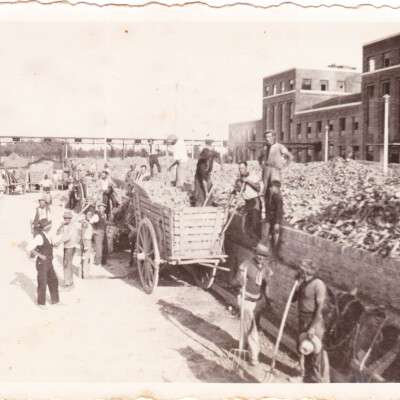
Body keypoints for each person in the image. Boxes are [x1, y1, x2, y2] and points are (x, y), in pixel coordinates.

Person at [231, 242, 272, 366]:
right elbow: (234, 282)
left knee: (249, 324)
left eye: (263, 255)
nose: (260, 257)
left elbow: (267, 287)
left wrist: (268, 300)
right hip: (246, 299)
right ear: (255, 253)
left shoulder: (266, 269)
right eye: (259, 254)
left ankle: (242, 345)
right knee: (252, 327)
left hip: (257, 302)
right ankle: (254, 356)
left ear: (266, 257)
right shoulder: (246, 265)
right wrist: (240, 280)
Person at [292, 259, 330, 383]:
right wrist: (296, 286)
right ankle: (305, 376)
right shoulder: (303, 283)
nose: (298, 271)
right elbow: (292, 299)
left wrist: (312, 327)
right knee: (303, 347)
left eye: (300, 269)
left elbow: (320, 307)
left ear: (306, 270)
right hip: (302, 318)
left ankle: (317, 380)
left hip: (314, 320)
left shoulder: (318, 284)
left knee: (314, 351)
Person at [258, 130, 293, 221]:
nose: (267, 139)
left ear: (273, 137)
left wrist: (284, 166)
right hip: (266, 170)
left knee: (275, 191)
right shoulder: (264, 148)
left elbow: (290, 157)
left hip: (275, 170)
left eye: (269, 137)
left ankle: (277, 217)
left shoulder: (279, 146)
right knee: (266, 192)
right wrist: (262, 165)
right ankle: (267, 216)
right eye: (266, 137)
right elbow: (259, 158)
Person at [26, 218, 60, 309]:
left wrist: (53, 245)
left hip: (49, 261)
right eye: (48, 225)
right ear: (44, 227)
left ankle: (55, 301)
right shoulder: (39, 236)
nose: (50, 226)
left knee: (53, 280)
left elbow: (45, 245)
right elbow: (29, 248)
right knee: (42, 282)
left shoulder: (47, 235)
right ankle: (41, 303)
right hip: (42, 263)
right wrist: (39, 255)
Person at [231, 161, 262, 241]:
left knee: (255, 223)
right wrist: (227, 205)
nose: (241, 170)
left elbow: (258, 188)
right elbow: (234, 192)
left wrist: (248, 181)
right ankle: (249, 241)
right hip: (247, 202)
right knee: (244, 224)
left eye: (242, 168)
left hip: (255, 201)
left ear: (246, 168)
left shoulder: (253, 176)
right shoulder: (238, 180)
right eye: (239, 168)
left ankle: (257, 242)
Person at [55, 210, 79, 289]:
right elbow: (57, 233)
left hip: (70, 247)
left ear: (70, 218)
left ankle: (68, 284)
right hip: (66, 247)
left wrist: (59, 242)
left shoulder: (73, 226)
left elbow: (68, 237)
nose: (65, 219)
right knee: (67, 265)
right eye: (64, 218)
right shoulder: (65, 225)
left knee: (67, 265)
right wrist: (60, 226)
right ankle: (70, 282)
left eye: (67, 218)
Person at [265, 180, 283, 256]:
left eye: (271, 187)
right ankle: (272, 252)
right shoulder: (273, 196)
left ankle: (274, 254)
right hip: (272, 219)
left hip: (275, 220)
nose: (270, 189)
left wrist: (277, 223)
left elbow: (279, 210)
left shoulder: (277, 197)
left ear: (276, 188)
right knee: (271, 236)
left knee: (275, 236)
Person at [81, 207, 95, 279]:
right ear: (85, 215)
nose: (89, 215)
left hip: (89, 241)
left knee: (88, 258)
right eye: (88, 214)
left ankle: (86, 273)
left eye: (90, 214)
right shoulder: (85, 223)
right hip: (86, 241)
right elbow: (82, 235)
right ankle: (85, 274)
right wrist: (84, 244)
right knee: (85, 258)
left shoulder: (89, 223)